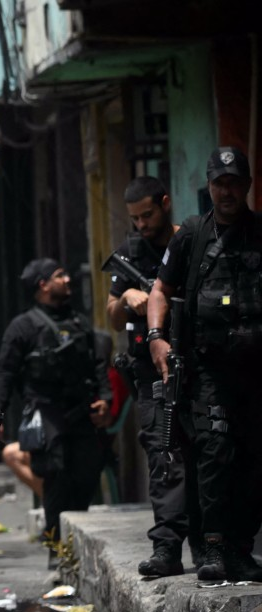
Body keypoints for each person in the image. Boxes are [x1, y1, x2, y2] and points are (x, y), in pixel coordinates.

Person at [146, 147, 262, 582]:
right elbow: (160, 290)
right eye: (219, 183)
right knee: (214, 450)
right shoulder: (193, 234)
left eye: (234, 182)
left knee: (253, 459)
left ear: (246, 185)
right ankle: (211, 548)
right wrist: (157, 340)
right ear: (209, 186)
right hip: (208, 368)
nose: (226, 190)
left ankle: (240, 548)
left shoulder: (258, 232)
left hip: (256, 372)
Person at [106, 176, 201, 577]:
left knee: (207, 457)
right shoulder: (130, 254)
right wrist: (127, 299)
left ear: (165, 203)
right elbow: (111, 316)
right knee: (164, 456)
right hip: (152, 372)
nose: (142, 225)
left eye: (148, 215)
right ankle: (166, 547)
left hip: (199, 366)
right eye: (135, 218)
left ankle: (211, 545)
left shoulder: (190, 243)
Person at [0, 259, 112, 545]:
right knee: (56, 478)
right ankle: (57, 551)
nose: (68, 279)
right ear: (42, 285)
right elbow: (5, 374)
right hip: (45, 413)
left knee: (86, 475)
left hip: (80, 413)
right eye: (60, 276)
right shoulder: (22, 327)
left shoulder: (78, 322)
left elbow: (98, 366)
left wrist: (105, 400)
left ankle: (74, 547)